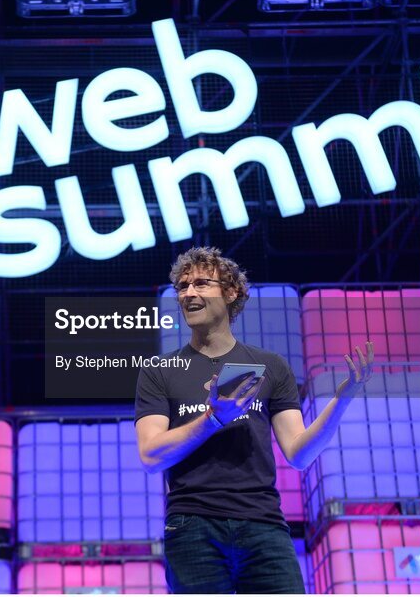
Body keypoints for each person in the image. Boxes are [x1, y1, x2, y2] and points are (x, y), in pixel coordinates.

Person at [134, 247, 374, 594]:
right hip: (192, 526)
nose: (189, 293)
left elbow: (299, 453)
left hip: (263, 524)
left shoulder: (271, 366)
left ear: (231, 293)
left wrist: (342, 399)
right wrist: (213, 419)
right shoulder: (159, 371)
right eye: (183, 286)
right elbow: (150, 456)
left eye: (202, 283)